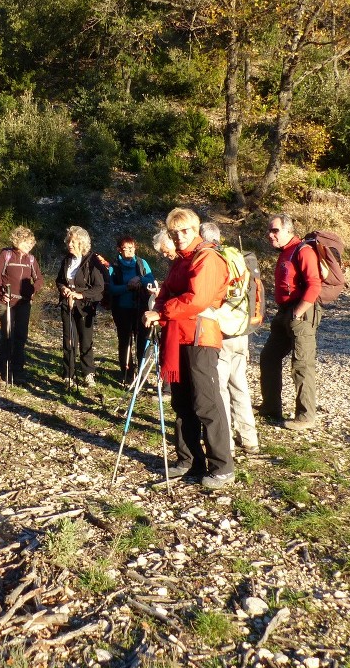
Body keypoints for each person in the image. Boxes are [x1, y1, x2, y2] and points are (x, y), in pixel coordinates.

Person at [144, 208, 234, 490]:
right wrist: (159, 307)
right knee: (181, 402)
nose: (179, 237)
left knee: (206, 402)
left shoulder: (207, 257)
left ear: (196, 230)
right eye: (174, 233)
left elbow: (197, 299)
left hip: (200, 337)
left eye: (184, 231)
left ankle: (222, 466)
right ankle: (189, 460)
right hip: (178, 335)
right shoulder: (181, 261)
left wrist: (162, 312)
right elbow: (166, 291)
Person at [199, 222, 259, 455]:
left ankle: (227, 444)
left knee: (220, 389)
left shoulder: (214, 260)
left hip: (222, 332)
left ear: (202, 238)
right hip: (241, 332)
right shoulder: (236, 257)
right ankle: (250, 437)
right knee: (240, 385)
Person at [259, 213, 322, 431]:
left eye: (275, 230)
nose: (270, 235)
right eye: (269, 230)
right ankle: (271, 408)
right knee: (269, 357)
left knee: (302, 364)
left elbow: (314, 285)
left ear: (288, 231)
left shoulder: (303, 251)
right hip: (285, 312)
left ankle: (305, 417)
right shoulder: (286, 252)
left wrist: (298, 312)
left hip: (300, 312)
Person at [0, 226, 44, 387]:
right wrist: (0, 293)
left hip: (24, 303)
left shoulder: (31, 260)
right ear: (17, 240)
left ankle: (18, 371)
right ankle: (2, 371)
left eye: (31, 243)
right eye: (26, 242)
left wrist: (32, 290)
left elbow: (39, 280)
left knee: (20, 336)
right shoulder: (5, 255)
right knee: (7, 335)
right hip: (6, 302)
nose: (29, 245)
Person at [56, 226, 105, 389]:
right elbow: (59, 280)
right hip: (67, 304)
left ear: (82, 243)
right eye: (69, 241)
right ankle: (68, 374)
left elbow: (99, 287)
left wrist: (80, 295)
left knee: (85, 341)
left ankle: (88, 374)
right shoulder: (66, 260)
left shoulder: (92, 261)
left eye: (74, 241)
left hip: (85, 306)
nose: (70, 244)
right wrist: (63, 288)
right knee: (69, 340)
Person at [107, 235, 154, 385]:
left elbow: (151, 280)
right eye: (125, 248)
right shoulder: (113, 267)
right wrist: (127, 286)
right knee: (125, 341)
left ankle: (142, 376)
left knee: (142, 342)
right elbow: (111, 289)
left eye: (131, 248)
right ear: (119, 250)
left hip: (141, 308)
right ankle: (127, 374)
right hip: (122, 309)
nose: (129, 251)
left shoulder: (141, 263)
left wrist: (140, 280)